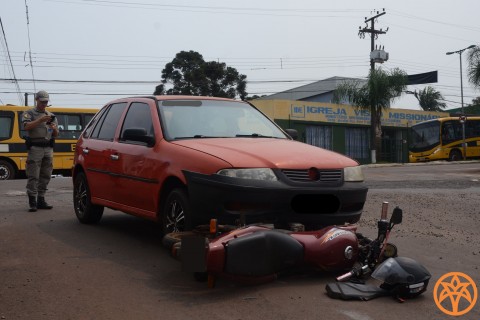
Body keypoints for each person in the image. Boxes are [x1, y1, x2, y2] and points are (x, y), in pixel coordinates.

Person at [22, 90, 59, 212]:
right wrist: (40, 120)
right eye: (42, 101)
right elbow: (26, 127)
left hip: (48, 147)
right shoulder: (29, 113)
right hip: (35, 147)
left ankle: (41, 199)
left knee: (46, 174)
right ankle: (32, 201)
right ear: (36, 100)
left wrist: (53, 129)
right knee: (33, 175)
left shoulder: (51, 115)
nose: (44, 104)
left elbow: (56, 134)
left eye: (46, 102)